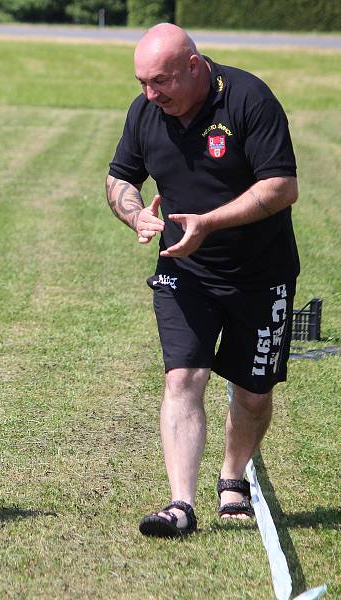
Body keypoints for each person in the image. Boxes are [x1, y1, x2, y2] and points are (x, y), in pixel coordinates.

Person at [106, 23, 299, 537]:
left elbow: (282, 186)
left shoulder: (248, 99)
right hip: (183, 271)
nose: (151, 94)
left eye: (162, 81)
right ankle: (181, 504)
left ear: (194, 65)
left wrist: (209, 222)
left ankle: (232, 477)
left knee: (253, 392)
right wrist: (134, 215)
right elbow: (120, 176)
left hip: (260, 274)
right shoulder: (146, 110)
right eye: (143, 82)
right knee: (182, 377)